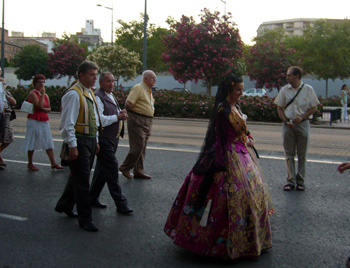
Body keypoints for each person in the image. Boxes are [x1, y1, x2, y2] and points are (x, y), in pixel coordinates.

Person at [164, 75, 274, 260]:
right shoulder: (223, 111)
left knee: (248, 196)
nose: (241, 93)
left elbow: (242, 130)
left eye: (242, 89)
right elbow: (219, 139)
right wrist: (220, 167)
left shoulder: (235, 107)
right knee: (226, 198)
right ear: (228, 90)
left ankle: (247, 240)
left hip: (243, 155)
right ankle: (217, 244)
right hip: (228, 157)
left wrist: (249, 137)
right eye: (238, 90)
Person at [55, 60, 102, 232]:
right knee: (82, 181)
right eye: (91, 75)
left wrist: (95, 139)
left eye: (96, 75)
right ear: (81, 75)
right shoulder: (74, 94)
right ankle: (85, 218)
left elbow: (93, 118)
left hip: (89, 140)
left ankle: (64, 204)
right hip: (79, 141)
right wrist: (72, 145)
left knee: (78, 176)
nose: (94, 78)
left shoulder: (88, 92)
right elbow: (67, 123)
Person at [89, 72, 133, 215]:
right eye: (108, 81)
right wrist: (117, 116)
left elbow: (112, 113)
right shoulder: (98, 96)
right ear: (101, 83)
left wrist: (120, 112)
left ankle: (92, 197)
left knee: (102, 171)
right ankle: (121, 203)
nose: (111, 84)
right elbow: (99, 120)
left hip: (112, 138)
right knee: (112, 169)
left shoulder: (110, 95)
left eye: (113, 81)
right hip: (104, 139)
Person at [274, 66, 320, 191]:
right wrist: (285, 120)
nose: (287, 77)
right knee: (289, 154)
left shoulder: (308, 89)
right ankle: (290, 180)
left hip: (303, 124)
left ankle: (300, 180)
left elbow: (314, 108)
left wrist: (302, 117)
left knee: (302, 154)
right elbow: (279, 108)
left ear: (297, 76)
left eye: (289, 75)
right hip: (288, 125)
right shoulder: (284, 90)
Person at [119, 70, 156, 180]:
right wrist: (129, 114)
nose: (155, 80)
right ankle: (125, 167)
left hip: (146, 121)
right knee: (137, 147)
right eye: (152, 78)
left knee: (142, 147)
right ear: (145, 78)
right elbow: (128, 103)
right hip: (137, 120)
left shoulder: (148, 90)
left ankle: (138, 170)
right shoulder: (138, 88)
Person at [21, 74, 62, 171]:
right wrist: (42, 95)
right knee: (32, 141)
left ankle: (53, 162)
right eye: (39, 82)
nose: (41, 84)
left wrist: (45, 106)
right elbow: (39, 106)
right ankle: (30, 163)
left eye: (43, 82)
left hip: (44, 120)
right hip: (34, 120)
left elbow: (48, 108)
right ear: (35, 83)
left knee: (48, 140)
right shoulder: (33, 93)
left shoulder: (46, 95)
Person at [0, 78, 16, 168]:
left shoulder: (5, 92)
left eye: (3, 84)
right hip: (1, 115)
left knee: (9, 138)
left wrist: (5, 94)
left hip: (6, 116)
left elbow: (14, 102)